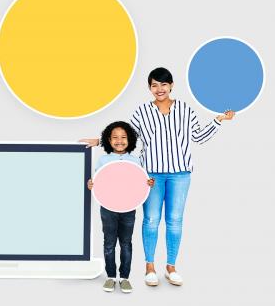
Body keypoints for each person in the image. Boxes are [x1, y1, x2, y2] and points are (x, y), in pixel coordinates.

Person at [81, 67, 234, 287]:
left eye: (163, 84)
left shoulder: (185, 110)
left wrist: (218, 120)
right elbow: (125, 136)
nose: (159, 89)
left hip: (180, 174)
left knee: (174, 221)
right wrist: (99, 140)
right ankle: (149, 267)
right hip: (151, 175)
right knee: (151, 220)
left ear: (171, 85)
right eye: (154, 85)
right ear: (149, 88)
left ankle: (171, 267)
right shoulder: (142, 112)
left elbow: (198, 137)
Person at [87, 121, 155, 294]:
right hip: (108, 208)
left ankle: (124, 278)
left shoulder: (136, 160)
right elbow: (98, 181)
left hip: (128, 209)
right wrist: (91, 184)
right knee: (109, 243)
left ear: (130, 139)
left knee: (126, 243)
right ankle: (110, 277)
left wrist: (148, 183)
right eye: (115, 137)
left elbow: (138, 181)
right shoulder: (103, 160)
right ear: (108, 140)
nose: (119, 141)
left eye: (123, 137)